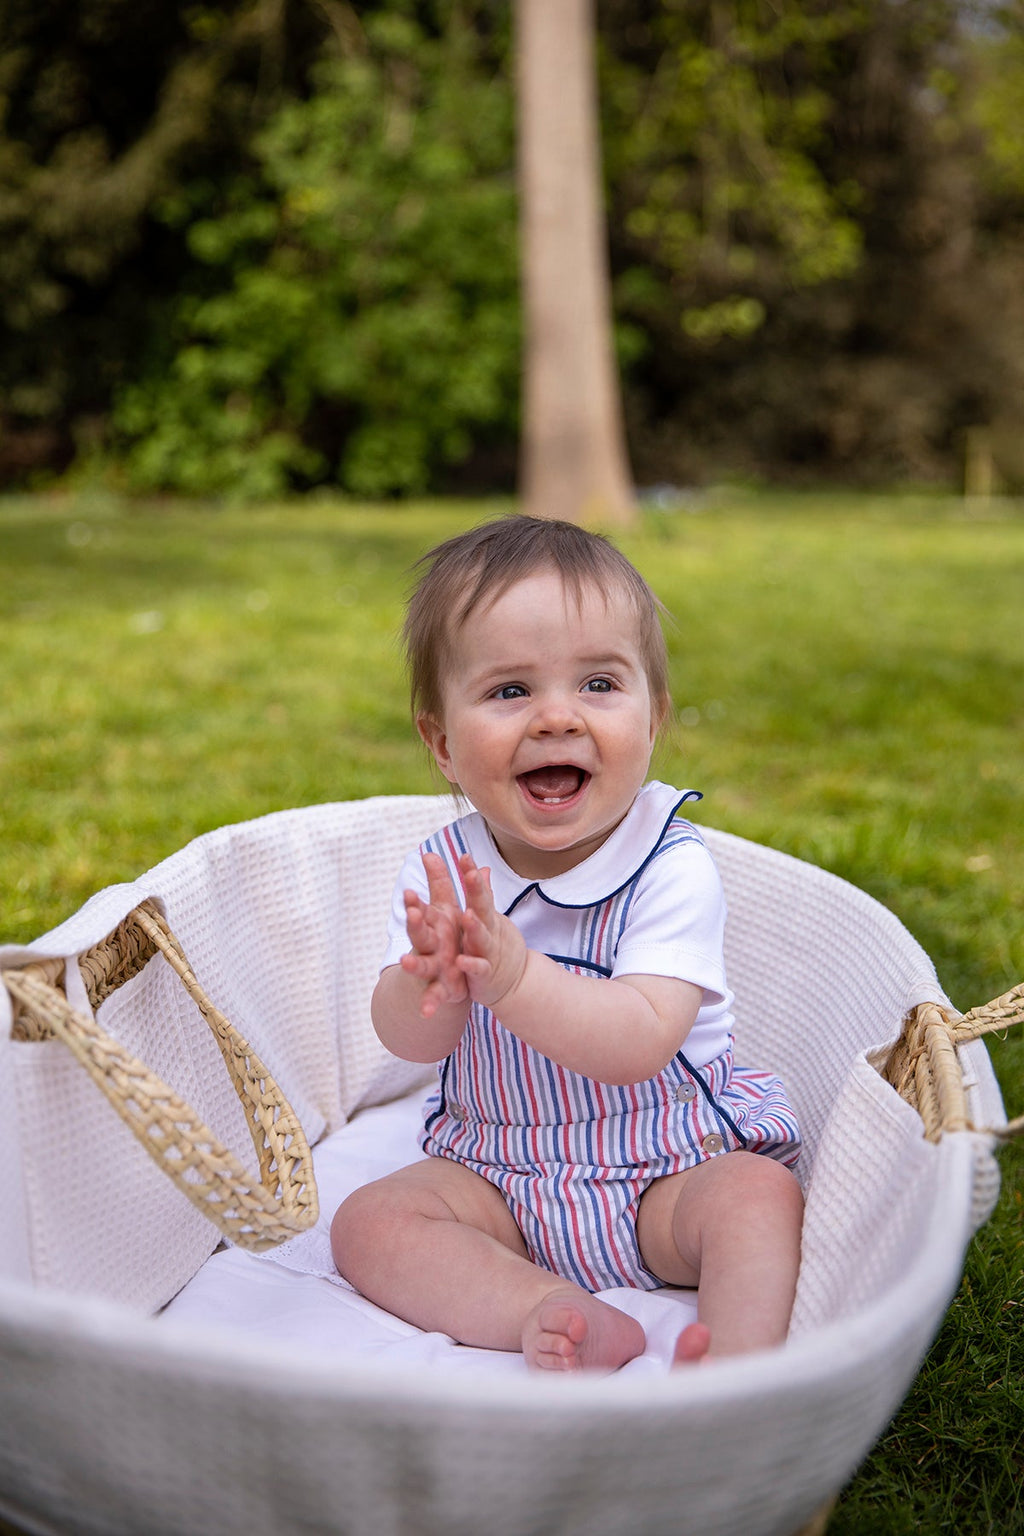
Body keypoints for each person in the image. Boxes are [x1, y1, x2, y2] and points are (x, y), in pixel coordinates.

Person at [331, 514, 803, 1372]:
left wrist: (510, 973)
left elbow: (635, 1041)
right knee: (369, 1224)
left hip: (664, 1168)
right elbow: (408, 1041)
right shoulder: (444, 863)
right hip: (500, 1174)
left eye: (597, 684)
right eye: (510, 691)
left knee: (758, 1198)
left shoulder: (670, 864)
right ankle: (541, 1307)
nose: (557, 718)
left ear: (653, 720)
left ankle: (737, 1373)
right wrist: (425, 982)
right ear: (441, 742)